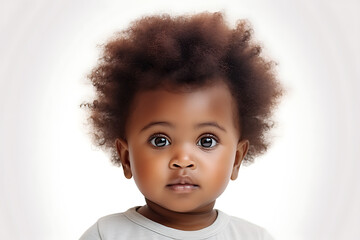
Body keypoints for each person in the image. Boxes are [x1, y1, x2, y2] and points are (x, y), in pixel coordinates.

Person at [80, 11, 283, 239]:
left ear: (236, 159)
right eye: (160, 140)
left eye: (207, 141)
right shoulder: (107, 235)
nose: (182, 160)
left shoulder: (253, 237)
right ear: (126, 158)